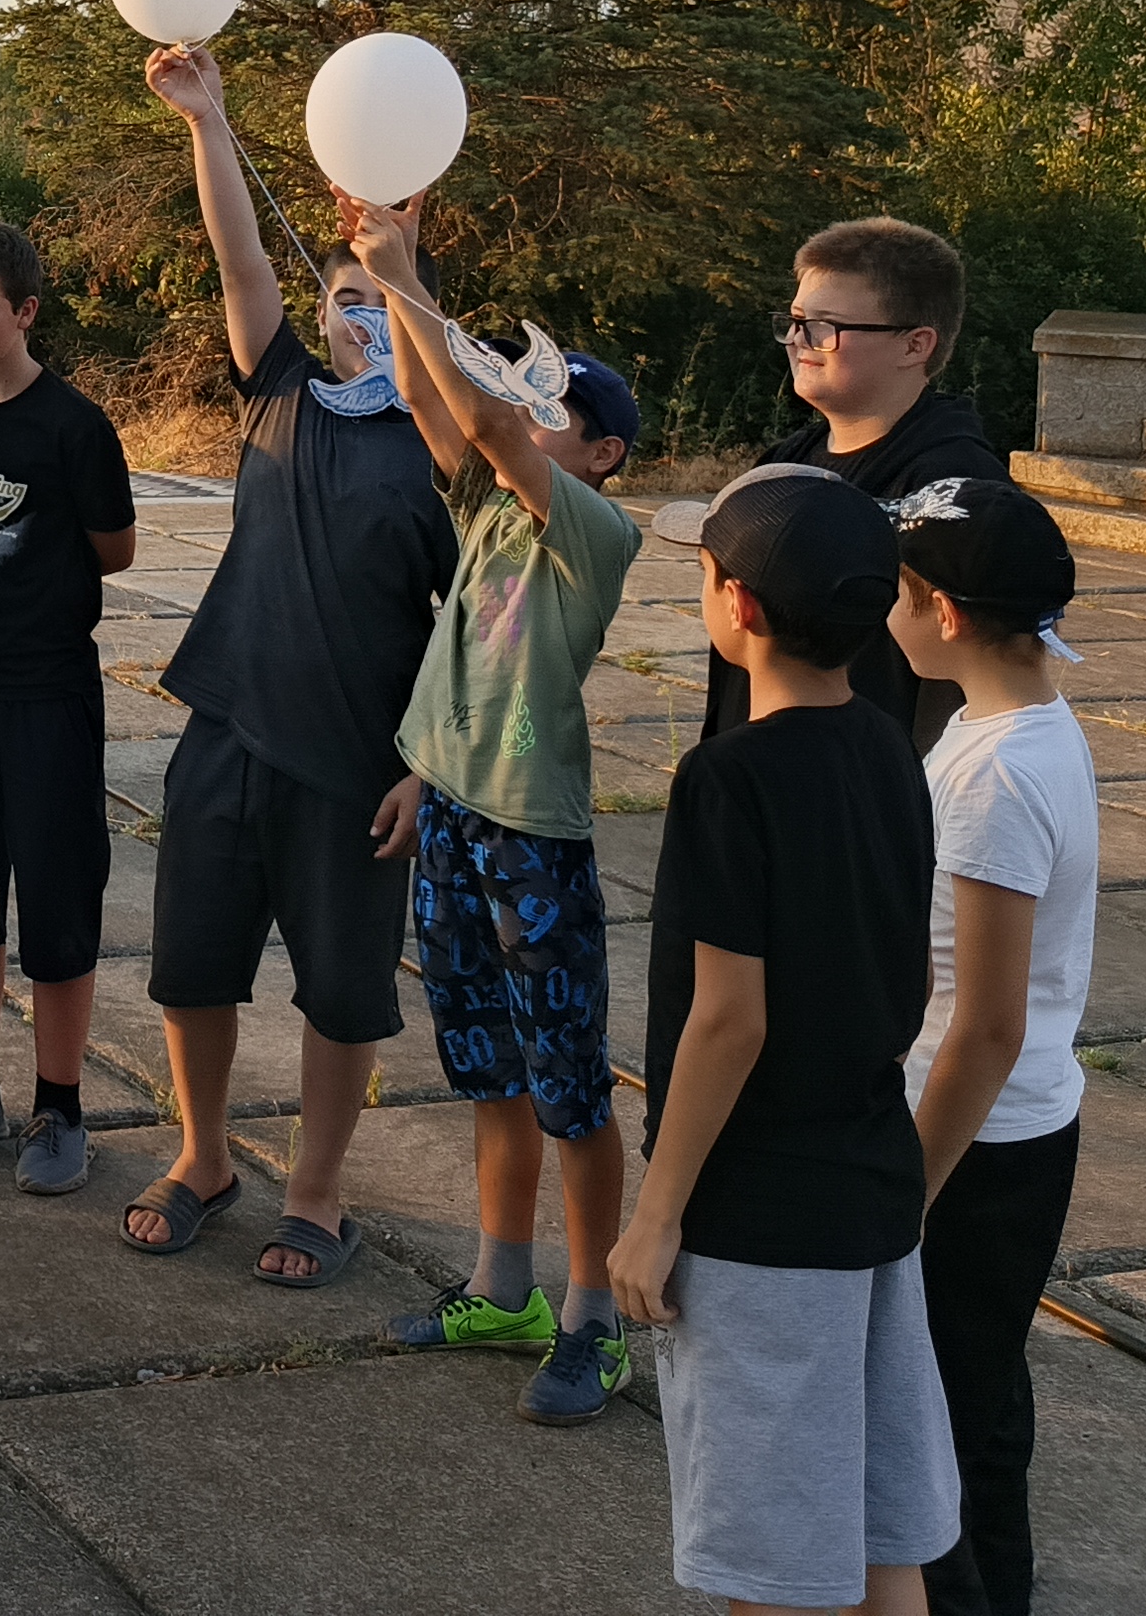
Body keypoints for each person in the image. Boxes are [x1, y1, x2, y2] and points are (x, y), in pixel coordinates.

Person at [122, 46, 455, 1286]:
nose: (354, 314)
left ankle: (315, 1192)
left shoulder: (446, 449)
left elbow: (475, 632)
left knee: (341, 994)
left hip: (358, 765)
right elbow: (239, 260)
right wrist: (206, 122)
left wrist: (428, 767)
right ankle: (203, 1157)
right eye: (343, 297)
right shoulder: (281, 392)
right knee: (189, 970)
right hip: (227, 732)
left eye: (378, 301)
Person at [616, 466, 958, 1616]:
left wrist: (654, 1216)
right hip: (869, 1188)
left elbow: (727, 1018)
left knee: (767, 1567)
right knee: (876, 1538)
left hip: (756, 1221)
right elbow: (913, 971)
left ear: (737, 605)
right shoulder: (890, 750)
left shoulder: (727, 778)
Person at [352, 211, 645, 1425]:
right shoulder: (487, 506)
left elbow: (482, 421)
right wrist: (393, 277)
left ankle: (593, 1318)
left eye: (552, 408)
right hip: (454, 816)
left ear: (603, 453)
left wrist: (403, 279)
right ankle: (500, 1289)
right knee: (485, 1072)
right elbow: (440, 410)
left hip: (532, 838)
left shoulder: (593, 530)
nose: (528, 414)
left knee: (569, 1088)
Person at [890, 480, 1098, 1616]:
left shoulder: (996, 777)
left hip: (972, 1144)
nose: (886, 611)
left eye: (899, 592)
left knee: (948, 1422)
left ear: (946, 614)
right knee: (976, 1392)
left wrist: (908, 1193)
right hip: (1016, 1125)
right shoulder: (1019, 726)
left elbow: (987, 1021)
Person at [0, 215, 136, 1194]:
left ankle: (59, 1107)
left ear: (27, 312)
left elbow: (115, 548)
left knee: (54, 906)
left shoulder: (75, 427)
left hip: (45, 696)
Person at [702, 217, 1010, 754]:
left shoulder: (957, 490)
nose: (798, 341)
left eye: (825, 327)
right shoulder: (784, 464)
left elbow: (969, 675)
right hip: (758, 763)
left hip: (864, 774)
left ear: (915, 345)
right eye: (795, 321)